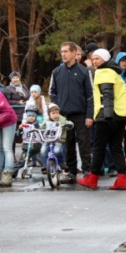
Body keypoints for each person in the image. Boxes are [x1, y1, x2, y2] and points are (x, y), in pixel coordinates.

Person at [77, 48, 126, 190]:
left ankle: (92, 178)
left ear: (105, 59)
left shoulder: (104, 72)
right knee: (116, 147)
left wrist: (107, 116)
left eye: (98, 58)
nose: (94, 61)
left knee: (98, 147)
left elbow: (107, 95)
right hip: (121, 114)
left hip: (107, 114)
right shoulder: (114, 72)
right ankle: (122, 178)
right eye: (93, 58)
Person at [49, 41, 94, 183]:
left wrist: (89, 115)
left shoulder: (84, 71)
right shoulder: (56, 72)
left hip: (81, 114)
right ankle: (71, 171)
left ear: (74, 53)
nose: (63, 54)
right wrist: (58, 108)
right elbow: (52, 92)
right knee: (67, 144)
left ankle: (87, 171)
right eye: (62, 52)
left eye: (66, 51)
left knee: (84, 144)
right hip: (64, 116)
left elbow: (90, 95)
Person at [40, 103, 73, 175]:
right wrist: (37, 126)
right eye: (53, 113)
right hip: (48, 139)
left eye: (57, 113)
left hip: (59, 139)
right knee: (43, 150)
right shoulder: (46, 121)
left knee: (57, 151)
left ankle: (62, 163)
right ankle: (45, 166)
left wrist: (69, 124)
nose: (55, 115)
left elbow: (70, 124)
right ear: (49, 114)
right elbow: (41, 127)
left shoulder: (62, 120)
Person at [14, 105, 43, 171]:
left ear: (35, 117)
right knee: (22, 161)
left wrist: (38, 126)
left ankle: (50, 171)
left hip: (37, 146)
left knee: (42, 160)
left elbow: (43, 130)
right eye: (29, 116)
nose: (31, 118)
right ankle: (13, 172)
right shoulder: (24, 125)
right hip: (27, 146)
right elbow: (18, 135)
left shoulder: (38, 124)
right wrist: (20, 129)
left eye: (33, 116)